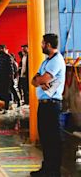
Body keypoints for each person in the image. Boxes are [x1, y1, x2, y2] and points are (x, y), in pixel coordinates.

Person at [30, 34, 65, 177]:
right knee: (45, 137)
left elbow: (43, 78)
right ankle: (46, 167)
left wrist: (40, 80)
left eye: (43, 43)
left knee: (53, 138)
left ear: (48, 45)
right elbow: (34, 80)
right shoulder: (46, 62)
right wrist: (40, 80)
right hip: (43, 104)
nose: (41, 45)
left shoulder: (57, 61)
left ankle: (54, 170)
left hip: (52, 105)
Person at [0, 45, 15, 114]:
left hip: (7, 77)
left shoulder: (8, 57)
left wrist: (11, 78)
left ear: (4, 49)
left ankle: (7, 107)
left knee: (6, 92)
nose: (0, 50)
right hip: (0, 77)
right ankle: (7, 103)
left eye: (1, 48)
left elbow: (11, 68)